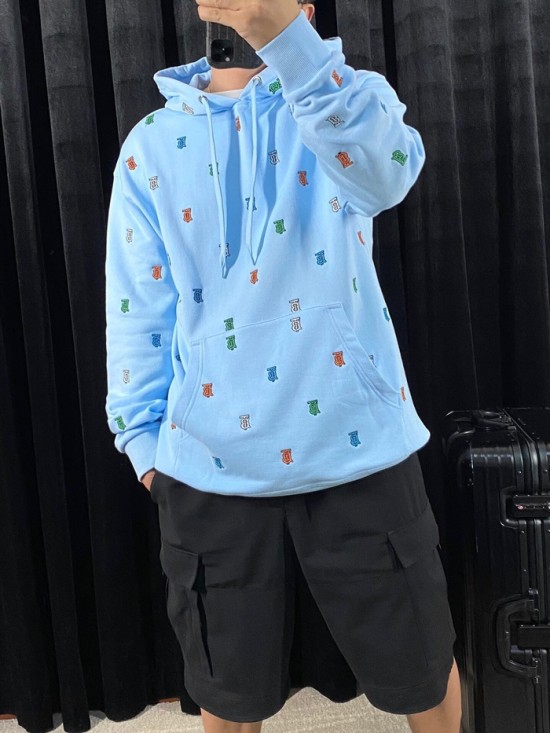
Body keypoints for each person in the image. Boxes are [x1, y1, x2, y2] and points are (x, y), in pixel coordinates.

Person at [105, 1, 462, 731]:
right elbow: (138, 303)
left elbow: (388, 176)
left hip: (359, 445)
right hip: (208, 465)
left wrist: (294, 49)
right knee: (228, 692)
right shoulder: (151, 143)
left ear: (305, 7)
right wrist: (142, 441)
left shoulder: (345, 97)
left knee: (422, 667)